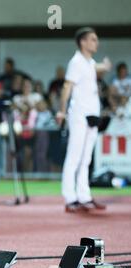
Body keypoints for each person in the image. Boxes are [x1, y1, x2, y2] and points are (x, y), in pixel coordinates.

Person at [57, 27, 111, 213]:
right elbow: (67, 87)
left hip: (92, 115)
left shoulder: (89, 62)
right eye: (93, 39)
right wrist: (61, 112)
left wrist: (104, 66)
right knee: (74, 156)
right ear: (83, 42)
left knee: (86, 158)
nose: (97, 43)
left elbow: (96, 67)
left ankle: (84, 195)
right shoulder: (76, 62)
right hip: (79, 115)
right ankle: (70, 197)